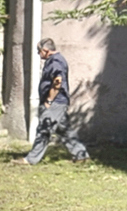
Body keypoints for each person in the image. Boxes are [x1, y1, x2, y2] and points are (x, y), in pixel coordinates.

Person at [21, 36, 89, 165]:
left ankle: (30, 159)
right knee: (64, 129)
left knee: (44, 129)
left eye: (38, 50)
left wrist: (49, 101)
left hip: (55, 102)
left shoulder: (56, 61)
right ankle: (81, 155)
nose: (37, 53)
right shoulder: (53, 60)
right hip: (59, 102)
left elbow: (57, 81)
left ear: (45, 50)